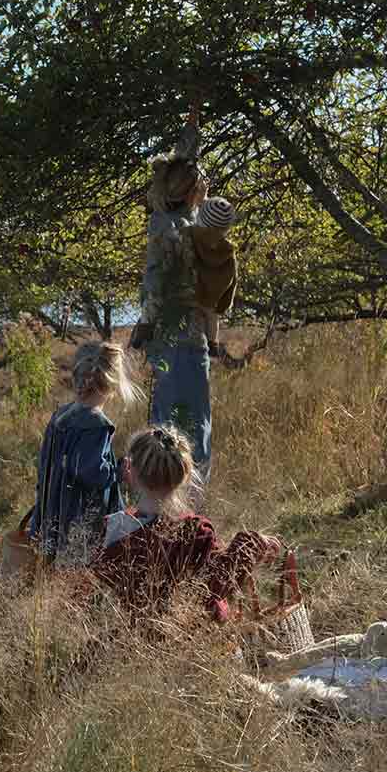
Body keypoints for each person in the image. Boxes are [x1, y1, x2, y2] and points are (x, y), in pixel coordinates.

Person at [93, 424, 280, 623]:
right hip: (188, 635)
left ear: (129, 469)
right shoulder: (194, 531)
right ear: (186, 474)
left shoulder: (111, 528)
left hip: (129, 639)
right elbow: (217, 584)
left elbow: (96, 595)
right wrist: (253, 543)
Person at [129, 110, 214, 494]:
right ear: (191, 191)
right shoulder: (183, 232)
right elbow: (156, 285)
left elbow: (181, 162)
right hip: (184, 343)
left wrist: (192, 124)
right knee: (188, 428)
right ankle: (185, 505)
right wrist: (144, 324)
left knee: (169, 420)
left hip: (168, 342)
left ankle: (165, 500)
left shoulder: (166, 220)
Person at [28, 341, 142, 565]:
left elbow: (46, 463)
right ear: (110, 386)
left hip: (53, 509)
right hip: (78, 518)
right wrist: (118, 471)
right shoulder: (95, 425)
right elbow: (92, 473)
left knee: (52, 566)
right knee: (79, 571)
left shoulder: (60, 416)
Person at [190, 196, 238, 359]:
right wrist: (223, 306)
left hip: (192, 297)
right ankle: (212, 344)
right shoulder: (228, 253)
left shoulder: (192, 239)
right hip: (211, 300)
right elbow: (233, 282)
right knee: (212, 316)